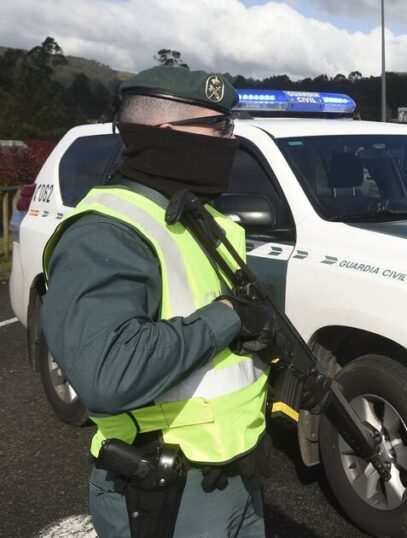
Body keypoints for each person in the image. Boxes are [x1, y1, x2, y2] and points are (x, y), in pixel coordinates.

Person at [41, 66, 273, 537]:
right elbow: (108, 373)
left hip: (232, 477)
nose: (230, 139)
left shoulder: (199, 216)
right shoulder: (105, 232)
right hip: (164, 493)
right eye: (220, 127)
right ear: (170, 134)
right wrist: (226, 317)